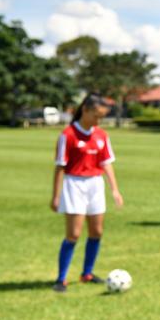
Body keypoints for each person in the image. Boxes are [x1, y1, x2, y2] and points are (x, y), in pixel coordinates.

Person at [50, 92, 123, 292]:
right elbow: (60, 167)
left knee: (96, 231)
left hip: (95, 184)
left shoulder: (101, 135)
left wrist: (114, 190)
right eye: (97, 116)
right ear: (85, 110)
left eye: (102, 117)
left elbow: (106, 164)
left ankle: (87, 273)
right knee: (73, 234)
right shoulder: (68, 135)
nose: (99, 121)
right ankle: (61, 278)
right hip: (74, 184)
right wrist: (55, 195)